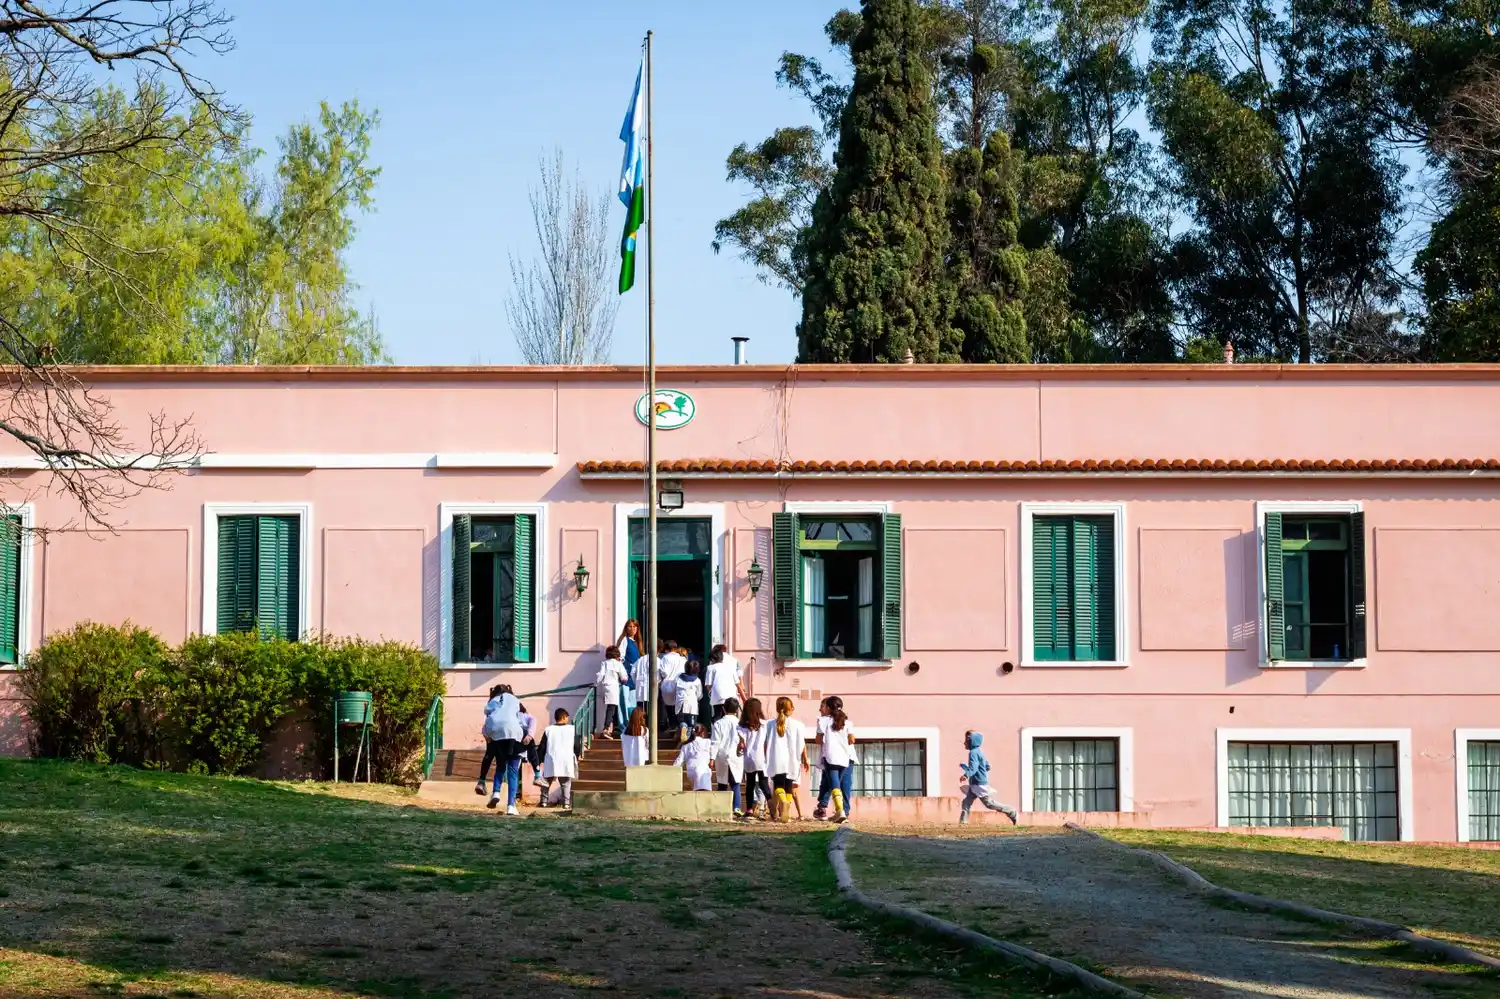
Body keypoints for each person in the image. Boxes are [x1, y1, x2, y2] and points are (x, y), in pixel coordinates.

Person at [478, 684, 523, 815]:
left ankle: (496, 792)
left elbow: (486, 712)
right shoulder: (514, 699)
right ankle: (511, 806)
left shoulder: (493, 700)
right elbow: (519, 714)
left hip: (495, 732)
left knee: (500, 765)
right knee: (513, 770)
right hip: (513, 732)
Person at [958, 730, 1018, 825]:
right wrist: (965, 767)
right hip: (975, 783)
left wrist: (966, 775)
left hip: (978, 784)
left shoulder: (973, 752)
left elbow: (974, 768)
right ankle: (963, 822)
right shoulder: (979, 751)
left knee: (989, 804)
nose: (964, 743)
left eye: (966, 740)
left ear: (971, 741)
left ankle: (1011, 812)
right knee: (966, 803)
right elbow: (984, 765)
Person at [766, 696, 808, 823]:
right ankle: (787, 813)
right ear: (791, 708)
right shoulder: (799, 725)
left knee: (778, 785)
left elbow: (767, 742)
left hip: (777, 759)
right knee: (789, 785)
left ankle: (782, 802)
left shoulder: (770, 724)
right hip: (792, 760)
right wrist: (803, 757)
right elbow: (801, 744)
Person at [816, 696, 854, 823]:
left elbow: (818, 740)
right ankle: (839, 811)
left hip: (831, 757)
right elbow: (852, 740)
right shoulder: (848, 722)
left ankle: (840, 811)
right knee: (838, 784)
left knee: (834, 784)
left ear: (828, 707)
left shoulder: (823, 721)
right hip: (845, 758)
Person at [711, 697, 745, 816]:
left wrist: (711, 758)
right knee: (735, 783)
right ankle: (736, 807)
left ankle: (721, 808)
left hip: (722, 756)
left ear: (723, 709)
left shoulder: (718, 723)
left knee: (722, 783)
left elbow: (715, 742)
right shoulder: (740, 724)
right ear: (737, 710)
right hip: (736, 756)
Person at [739, 697, 772, 820]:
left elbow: (742, 744)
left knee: (750, 784)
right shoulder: (766, 724)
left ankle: (749, 809)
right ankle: (772, 807)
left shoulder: (742, 726)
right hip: (761, 758)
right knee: (764, 784)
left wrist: (740, 748)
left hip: (748, 759)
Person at [542, 708, 578, 812]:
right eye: (567, 717)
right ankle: (566, 803)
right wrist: (577, 754)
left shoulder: (548, 729)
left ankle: (544, 801)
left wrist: (539, 759)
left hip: (551, 758)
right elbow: (576, 745)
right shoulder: (572, 729)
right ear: (563, 717)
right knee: (565, 783)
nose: (568, 719)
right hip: (566, 758)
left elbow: (543, 745)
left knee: (546, 782)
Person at [705, 645, 746, 721]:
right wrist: (744, 699)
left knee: (718, 719)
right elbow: (738, 684)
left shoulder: (710, 668)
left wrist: (711, 692)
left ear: (713, 659)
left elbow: (709, 686)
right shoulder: (731, 666)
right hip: (732, 699)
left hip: (718, 699)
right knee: (732, 719)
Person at [596, 646, 628, 738]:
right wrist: (623, 680)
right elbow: (624, 678)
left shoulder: (604, 663)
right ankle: (606, 729)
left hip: (605, 687)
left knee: (612, 708)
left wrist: (596, 683)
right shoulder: (618, 664)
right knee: (612, 708)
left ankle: (613, 728)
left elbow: (600, 675)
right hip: (613, 687)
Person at [675, 722, 714, 791]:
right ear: (703, 733)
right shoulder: (708, 742)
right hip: (704, 771)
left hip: (691, 772)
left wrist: (672, 771)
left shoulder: (686, 746)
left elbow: (678, 762)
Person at [617, 619, 643, 720]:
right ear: (626, 628)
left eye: (635, 627)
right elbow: (620, 657)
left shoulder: (637, 643)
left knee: (632, 702)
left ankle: (632, 724)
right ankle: (624, 725)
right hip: (626, 676)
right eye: (630, 626)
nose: (632, 629)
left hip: (634, 678)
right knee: (624, 701)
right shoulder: (624, 640)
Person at [658, 640, 685, 732]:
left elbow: (663, 671)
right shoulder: (683, 659)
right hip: (680, 685)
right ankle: (680, 725)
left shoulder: (665, 658)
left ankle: (672, 726)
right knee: (679, 706)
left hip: (667, 685)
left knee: (668, 707)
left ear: (666, 650)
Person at [674, 660, 704, 742]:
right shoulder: (697, 681)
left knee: (682, 720)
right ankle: (687, 741)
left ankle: (683, 727)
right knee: (691, 724)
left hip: (681, 704)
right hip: (692, 705)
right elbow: (699, 694)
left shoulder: (678, 678)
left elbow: (674, 688)